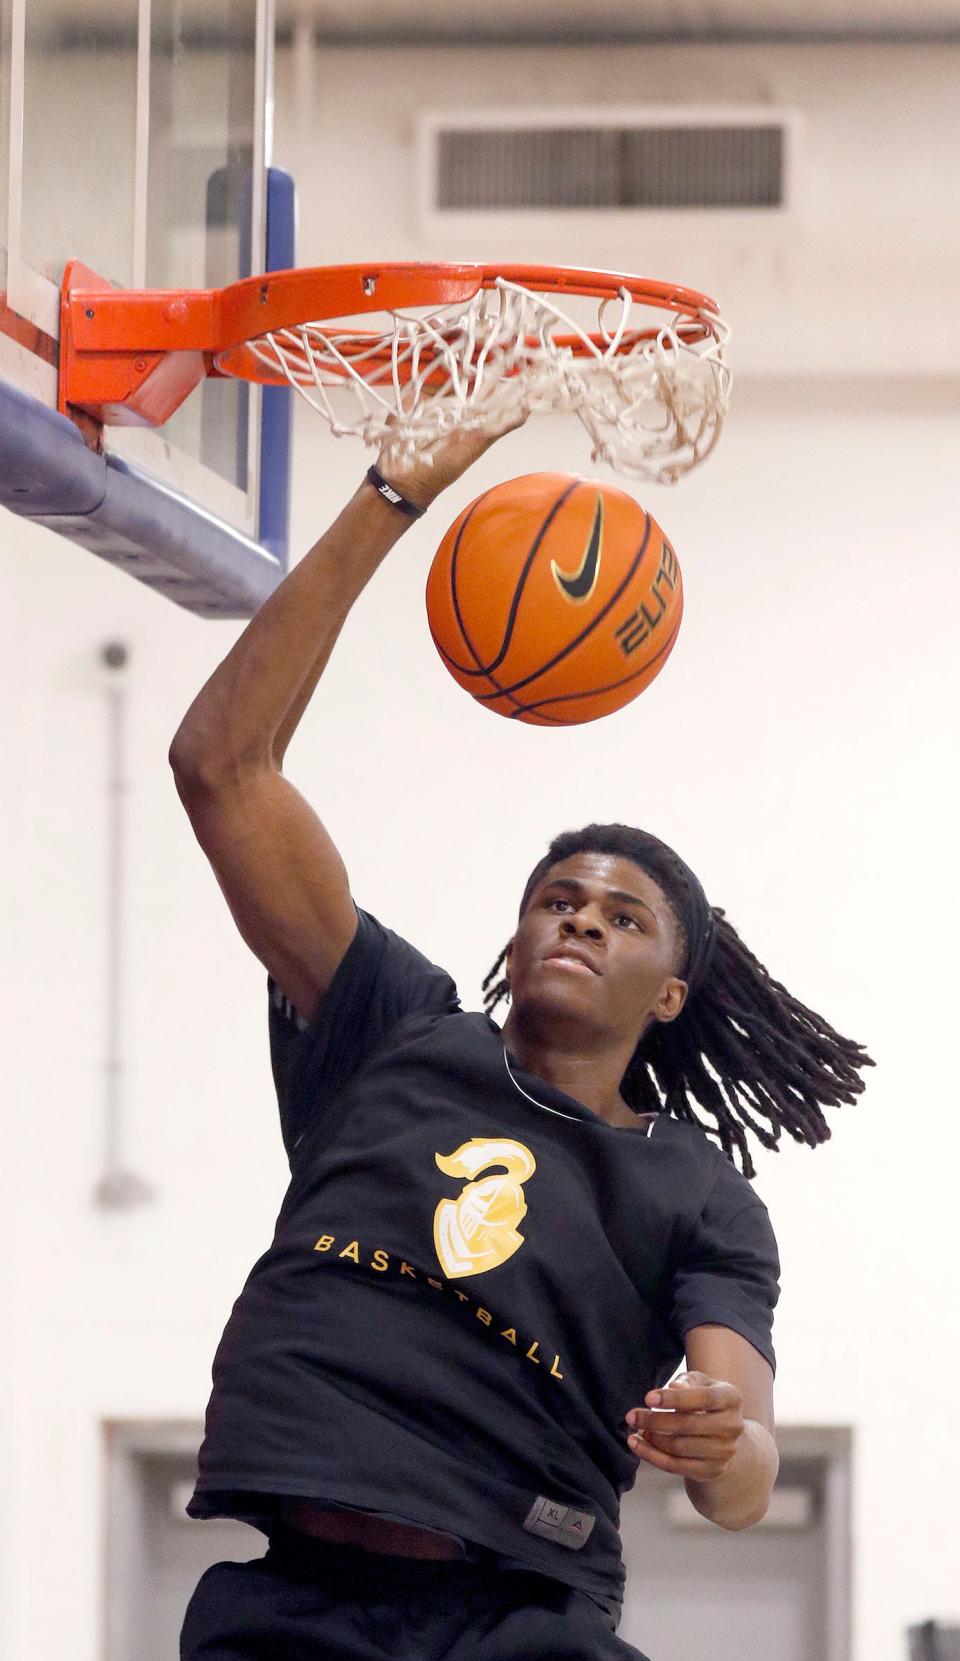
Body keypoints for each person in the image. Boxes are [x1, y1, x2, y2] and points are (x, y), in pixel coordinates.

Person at [169, 421, 872, 1661]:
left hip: (516, 1616)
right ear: (517, 925)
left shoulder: (694, 1188)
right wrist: (395, 494)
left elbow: (744, 1468)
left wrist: (727, 1445)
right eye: (559, 898)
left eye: (623, 915)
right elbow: (221, 764)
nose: (582, 918)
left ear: (671, 989)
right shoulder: (393, 1028)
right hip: (289, 1596)